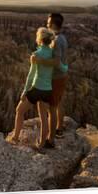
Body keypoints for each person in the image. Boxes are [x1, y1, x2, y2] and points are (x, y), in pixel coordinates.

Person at [10, 27, 55, 149]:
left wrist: (25, 91)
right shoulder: (53, 54)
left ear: (40, 39)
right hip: (47, 90)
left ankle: (15, 138)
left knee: (19, 111)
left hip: (36, 89)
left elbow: (31, 76)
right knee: (44, 117)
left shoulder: (36, 55)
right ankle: (41, 144)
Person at [32, 13, 69, 144]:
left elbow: (56, 62)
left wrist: (39, 60)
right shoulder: (63, 38)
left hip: (56, 78)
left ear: (53, 25)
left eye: (48, 25)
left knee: (51, 109)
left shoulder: (57, 40)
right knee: (58, 103)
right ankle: (59, 128)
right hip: (62, 76)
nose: (47, 27)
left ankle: (50, 139)